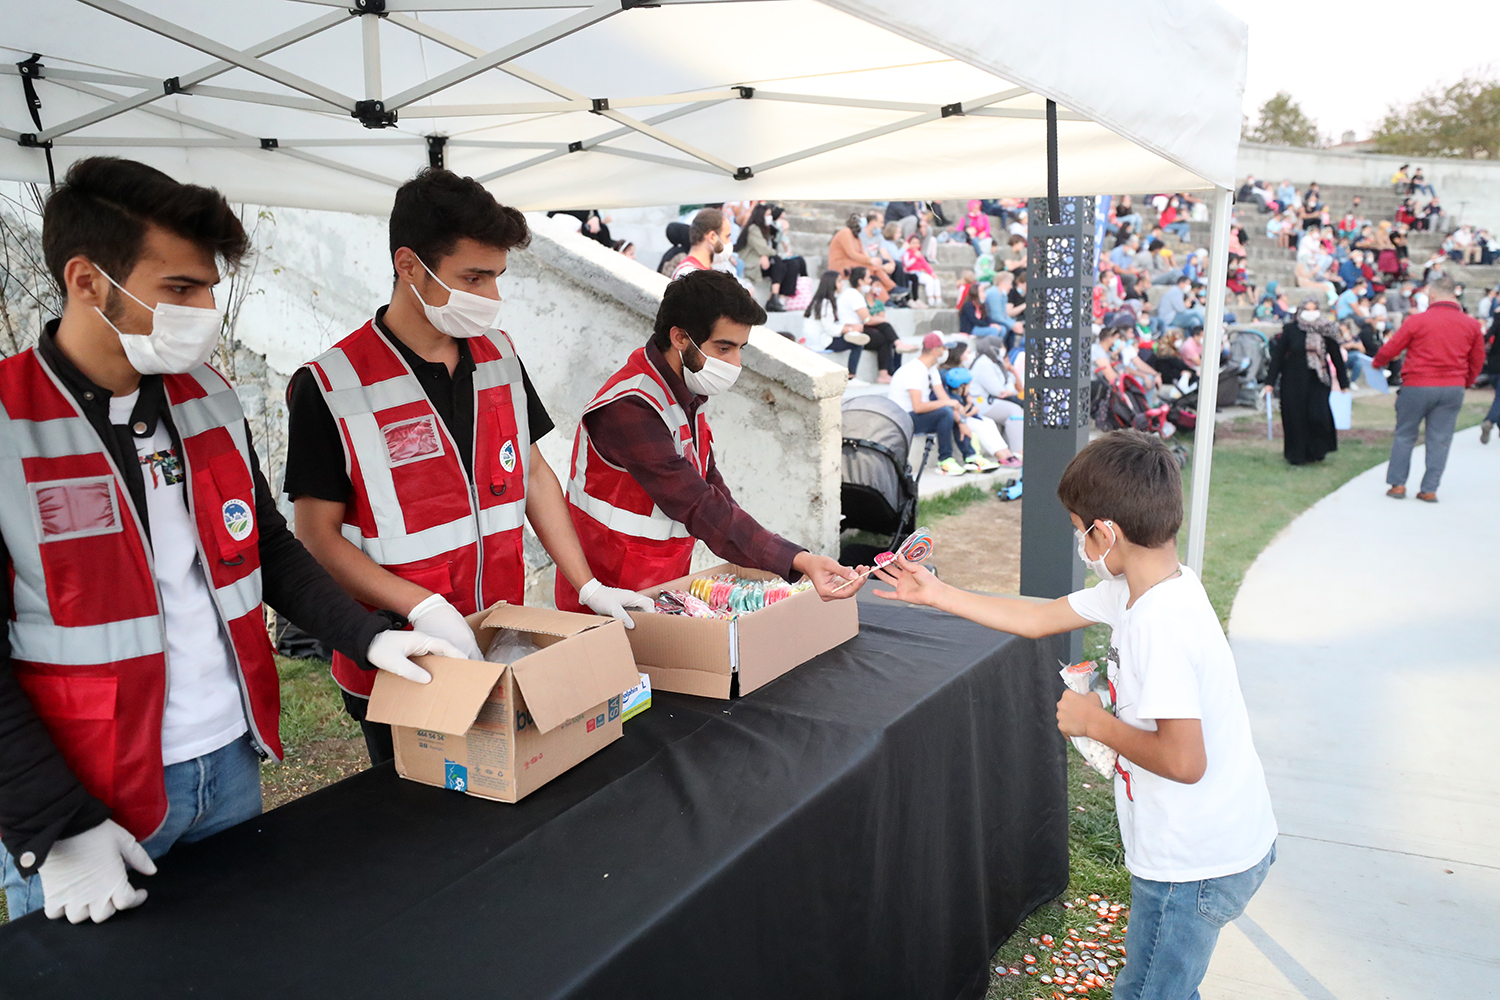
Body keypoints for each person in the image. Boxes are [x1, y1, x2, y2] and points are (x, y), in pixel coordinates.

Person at [0, 158, 460, 924]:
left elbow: (267, 548)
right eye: (180, 289)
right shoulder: (9, 423)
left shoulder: (206, 395)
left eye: (210, 287)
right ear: (86, 282)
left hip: (230, 758)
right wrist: (58, 828)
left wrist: (371, 636)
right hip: (91, 790)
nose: (207, 309)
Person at [873, 430, 1277, 1000]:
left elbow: (1186, 761)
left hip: (1195, 864)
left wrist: (1096, 722)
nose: (1079, 545)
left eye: (1077, 530)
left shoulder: (1162, 624)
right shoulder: (1142, 589)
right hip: (1202, 847)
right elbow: (1041, 617)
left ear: (1105, 531)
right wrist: (936, 594)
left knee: (1147, 992)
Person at [285, 169, 649, 766]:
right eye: (472, 277)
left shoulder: (499, 355)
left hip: (497, 634)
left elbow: (531, 474)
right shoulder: (334, 385)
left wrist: (585, 582)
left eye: (497, 278)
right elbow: (315, 536)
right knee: (421, 824)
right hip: (400, 651)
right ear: (409, 265)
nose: (489, 296)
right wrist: (420, 606)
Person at [557, 269, 862, 611]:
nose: (735, 363)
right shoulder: (631, 407)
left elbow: (714, 491)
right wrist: (799, 561)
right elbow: (701, 507)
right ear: (680, 339)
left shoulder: (685, 392)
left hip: (658, 586)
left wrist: (789, 560)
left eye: (740, 349)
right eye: (724, 348)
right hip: (606, 594)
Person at [1369, 275, 1486, 500]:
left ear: (1432, 295)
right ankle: (1430, 489)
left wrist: (1377, 362)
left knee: (1405, 434)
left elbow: (1393, 347)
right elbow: (1477, 359)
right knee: (1440, 438)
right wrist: (1466, 381)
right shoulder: (1471, 324)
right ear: (1455, 294)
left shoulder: (1417, 321)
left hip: (1417, 384)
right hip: (1452, 385)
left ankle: (1398, 484)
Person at [1263, 298, 1350, 466]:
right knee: (1295, 417)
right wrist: (1270, 381)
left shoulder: (1326, 329)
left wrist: (1343, 382)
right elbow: (1278, 356)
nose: (1311, 312)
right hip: (1293, 380)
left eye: (1314, 308)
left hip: (1318, 380)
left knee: (1318, 415)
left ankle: (1317, 451)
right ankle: (1296, 455)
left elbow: (1336, 356)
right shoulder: (1291, 329)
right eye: (1307, 309)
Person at [889, 333, 974, 477]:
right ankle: (944, 460)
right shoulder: (914, 370)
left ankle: (970, 456)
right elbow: (918, 407)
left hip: (915, 416)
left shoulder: (931, 369)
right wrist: (949, 404)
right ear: (936, 350)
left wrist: (962, 421)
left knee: (951, 411)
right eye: (944, 348)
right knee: (945, 412)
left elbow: (944, 397)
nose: (946, 352)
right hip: (903, 420)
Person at [939, 365, 1014, 470]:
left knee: (989, 422)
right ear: (962, 386)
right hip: (961, 421)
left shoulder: (963, 396)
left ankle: (1007, 454)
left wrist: (971, 407)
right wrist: (970, 407)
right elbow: (961, 415)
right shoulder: (955, 398)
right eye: (968, 385)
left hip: (968, 418)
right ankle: (978, 456)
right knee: (979, 426)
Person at [736, 202, 805, 311]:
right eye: (767, 214)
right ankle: (774, 297)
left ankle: (779, 297)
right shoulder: (754, 229)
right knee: (778, 261)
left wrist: (784, 232)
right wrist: (769, 255)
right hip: (754, 265)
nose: (770, 217)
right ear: (761, 215)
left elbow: (780, 247)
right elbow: (763, 248)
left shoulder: (769, 229)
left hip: (767, 262)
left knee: (794, 262)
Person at [827, 213, 895, 300]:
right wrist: (870, 261)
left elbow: (862, 253)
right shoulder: (846, 232)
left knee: (873, 271)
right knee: (871, 268)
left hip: (851, 263)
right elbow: (852, 254)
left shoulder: (856, 236)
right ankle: (891, 288)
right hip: (840, 265)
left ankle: (885, 297)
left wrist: (876, 263)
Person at [672, 208, 731, 280]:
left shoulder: (703, 271)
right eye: (727, 236)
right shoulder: (689, 274)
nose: (730, 241)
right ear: (712, 237)